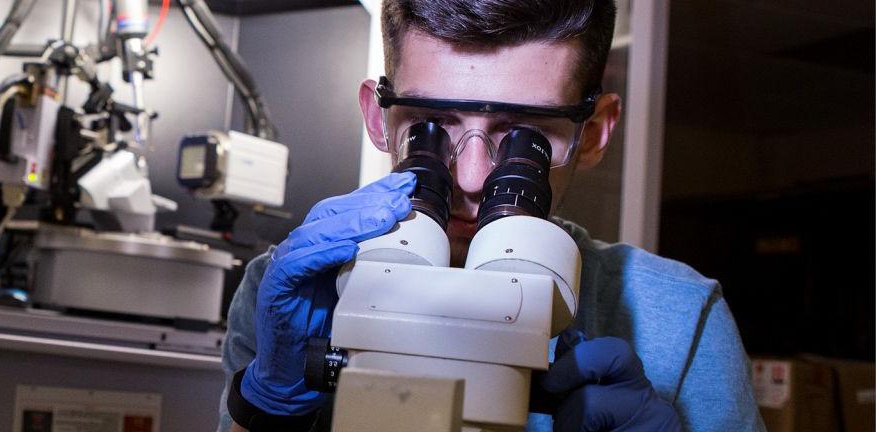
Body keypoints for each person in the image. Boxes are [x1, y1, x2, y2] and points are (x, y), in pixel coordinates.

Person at [219, 0, 766, 430]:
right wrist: (265, 411)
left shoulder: (678, 315)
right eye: (430, 127)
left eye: (524, 137)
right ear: (378, 117)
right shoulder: (291, 291)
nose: (473, 177)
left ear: (594, 132)